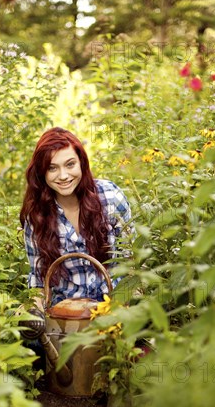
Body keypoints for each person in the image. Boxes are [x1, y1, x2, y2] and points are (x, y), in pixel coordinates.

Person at [19, 127, 134, 327]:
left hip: (114, 308)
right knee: (30, 339)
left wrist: (124, 307)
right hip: (64, 316)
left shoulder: (110, 197)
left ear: (81, 162)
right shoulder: (36, 215)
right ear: (42, 173)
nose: (63, 176)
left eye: (70, 164)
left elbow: (131, 264)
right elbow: (39, 282)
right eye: (52, 168)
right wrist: (33, 311)